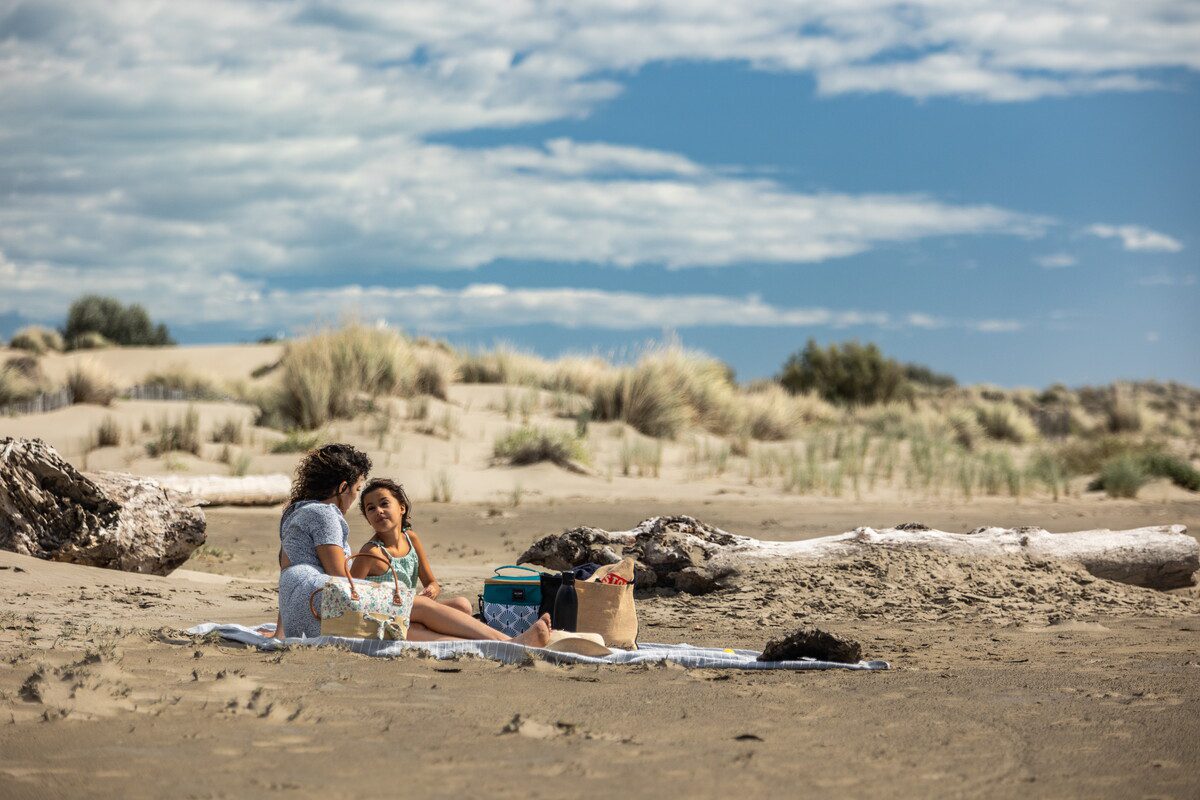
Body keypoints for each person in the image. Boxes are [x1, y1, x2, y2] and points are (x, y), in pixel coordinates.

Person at [351, 477, 550, 644]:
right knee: (422, 609)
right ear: (367, 518)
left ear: (401, 508)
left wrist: (431, 590)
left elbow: (432, 582)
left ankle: (434, 628)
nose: (378, 510)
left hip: (409, 611)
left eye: (384, 503)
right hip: (384, 617)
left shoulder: (411, 539)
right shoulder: (371, 552)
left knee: (462, 605)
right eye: (371, 508)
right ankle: (509, 642)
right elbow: (350, 598)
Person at [270, 443, 373, 640]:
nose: (356, 498)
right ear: (344, 487)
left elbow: (289, 574)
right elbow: (340, 577)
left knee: (416, 613)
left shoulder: (296, 512)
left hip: (298, 617)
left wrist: (279, 634)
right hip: (318, 609)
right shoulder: (325, 515)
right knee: (415, 608)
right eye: (357, 489)